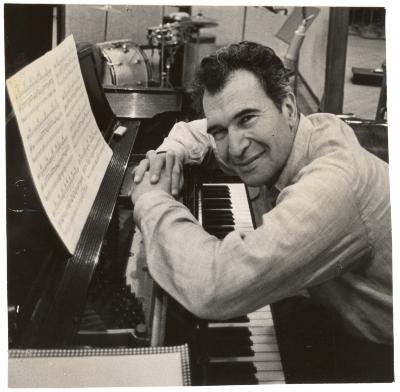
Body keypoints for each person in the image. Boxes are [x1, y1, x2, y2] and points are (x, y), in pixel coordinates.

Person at [131, 42, 393, 382]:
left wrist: (152, 200)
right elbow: (195, 130)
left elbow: (214, 286)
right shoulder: (307, 129)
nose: (236, 147)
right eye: (221, 131)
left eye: (247, 119)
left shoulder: (334, 184)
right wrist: (169, 155)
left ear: (287, 107)